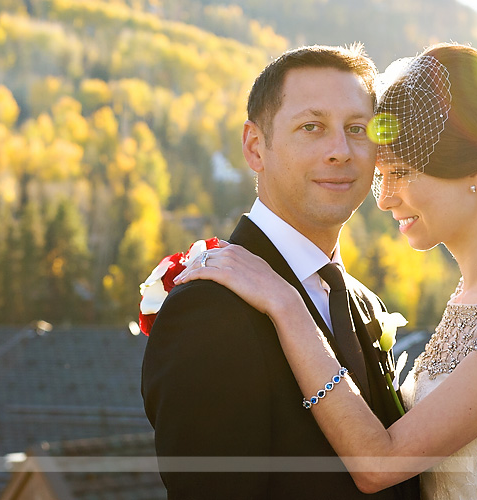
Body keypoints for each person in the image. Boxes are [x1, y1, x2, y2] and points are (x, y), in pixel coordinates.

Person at [175, 43, 477, 499]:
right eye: (383, 175)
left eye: (401, 172)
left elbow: (379, 465)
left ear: (475, 167)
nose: (385, 198)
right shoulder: (471, 297)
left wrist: (285, 303)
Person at [142, 44, 419, 499]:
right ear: (256, 147)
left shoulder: (365, 305)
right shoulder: (207, 309)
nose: (340, 151)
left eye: (357, 129)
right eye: (312, 127)